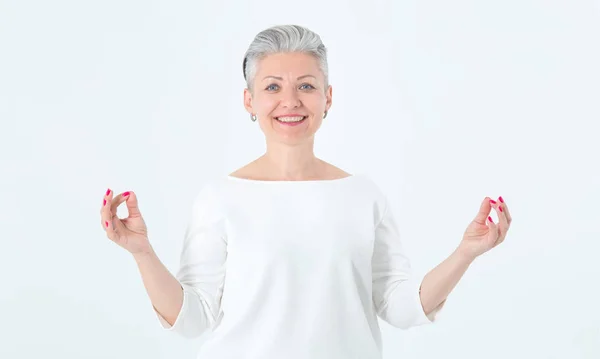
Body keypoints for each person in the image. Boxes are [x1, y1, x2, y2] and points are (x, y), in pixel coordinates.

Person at [99, 24, 512, 359]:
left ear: (328, 97)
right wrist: (142, 251)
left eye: (307, 86)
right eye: (273, 87)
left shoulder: (362, 196)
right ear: (249, 100)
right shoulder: (220, 198)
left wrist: (465, 253)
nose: (290, 101)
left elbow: (400, 308)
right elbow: (193, 320)